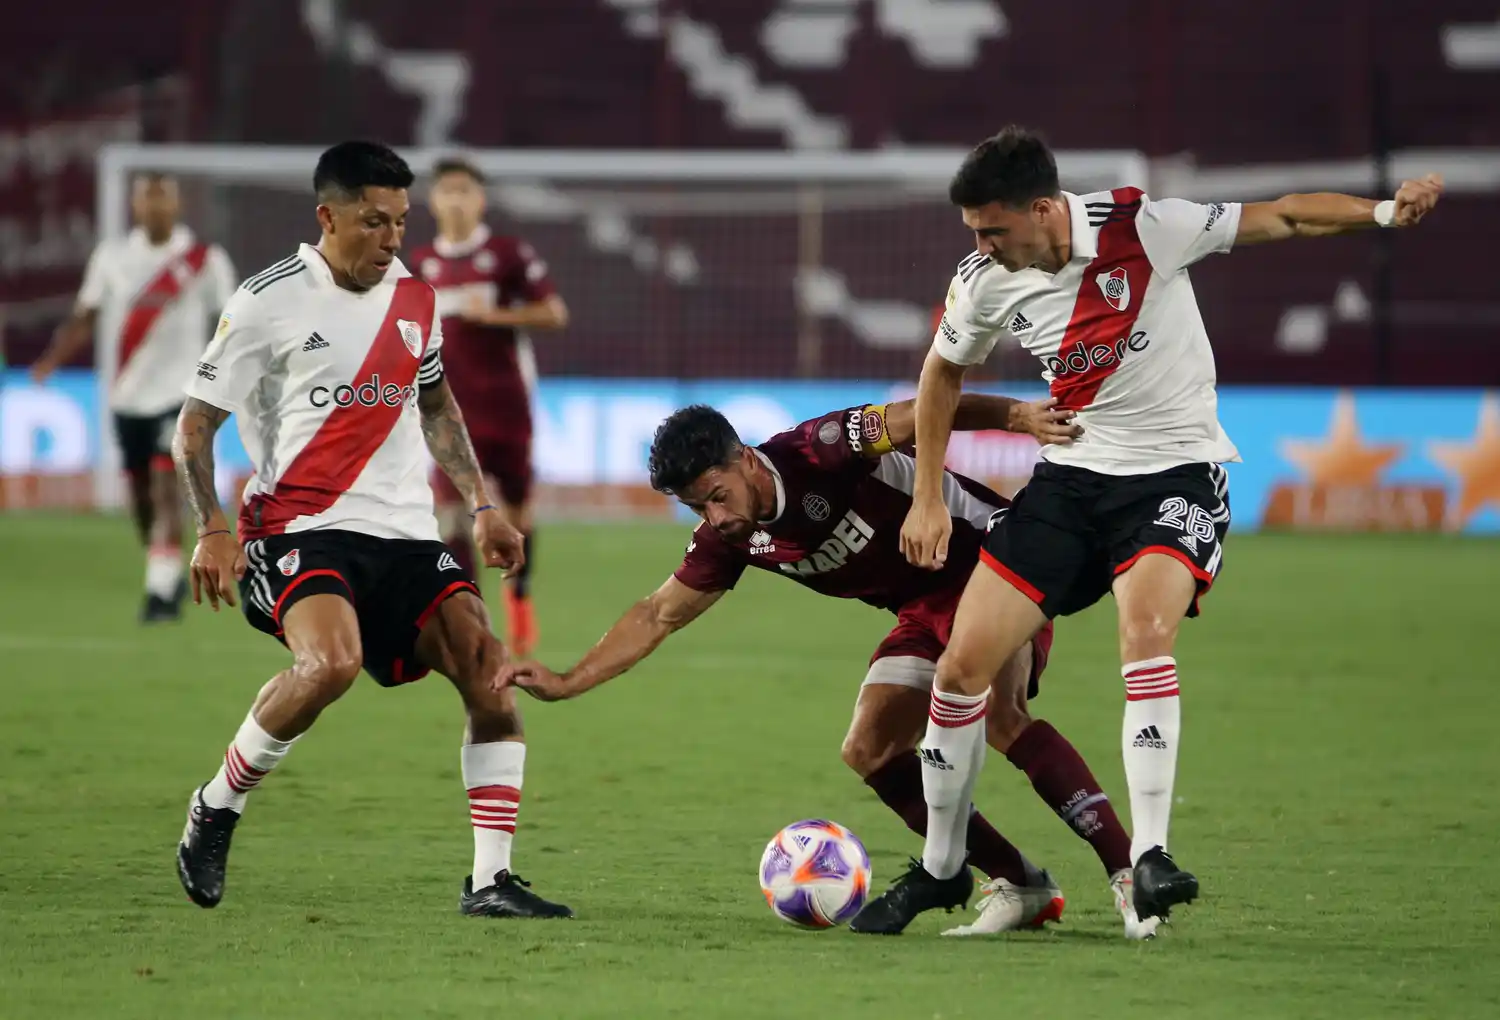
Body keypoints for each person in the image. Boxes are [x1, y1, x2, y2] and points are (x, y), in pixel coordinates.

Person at [853, 125, 1444, 933]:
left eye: (994, 229)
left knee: (1144, 634)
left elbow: (1286, 218)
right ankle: (944, 868)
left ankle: (1152, 861)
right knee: (960, 672)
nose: (983, 246)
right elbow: (941, 373)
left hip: (1171, 477)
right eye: (973, 234)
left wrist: (1383, 213)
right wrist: (926, 496)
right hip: (1070, 483)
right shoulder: (983, 280)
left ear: (1041, 208)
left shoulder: (1144, 229)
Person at [501, 395, 1159, 938]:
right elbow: (658, 614)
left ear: (745, 459)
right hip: (923, 606)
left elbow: (927, 406)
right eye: (699, 508)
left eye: (717, 495)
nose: (716, 517)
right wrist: (566, 681)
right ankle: (1019, 882)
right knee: (870, 747)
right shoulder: (733, 537)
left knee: (1002, 715)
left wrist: (1018, 418)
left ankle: (1130, 875)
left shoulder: (821, 447)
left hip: (997, 565)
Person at [170, 141, 572, 920]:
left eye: (399, 222)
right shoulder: (267, 300)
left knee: (491, 672)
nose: (391, 239)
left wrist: (482, 507)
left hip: (405, 533)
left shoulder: (416, 299)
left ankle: (491, 880)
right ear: (328, 216)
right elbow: (193, 427)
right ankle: (216, 807)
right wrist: (210, 528)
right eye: (373, 221)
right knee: (331, 666)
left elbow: (436, 405)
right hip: (299, 527)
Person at [32, 173, 237, 622]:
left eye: (164, 196)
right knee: (141, 497)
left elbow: (231, 322)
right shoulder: (113, 257)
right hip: (126, 397)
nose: (157, 206)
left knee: (168, 488)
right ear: (135, 205)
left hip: (182, 396)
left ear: (178, 205)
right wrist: (52, 359)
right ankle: (164, 566)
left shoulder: (205, 261)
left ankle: (159, 594)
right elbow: (87, 313)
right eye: (148, 198)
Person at [408, 157, 569, 658]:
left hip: (506, 405)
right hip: (447, 412)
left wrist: (493, 314)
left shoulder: (506, 255)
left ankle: (519, 599)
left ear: (480, 200)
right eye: (447, 191)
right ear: (433, 201)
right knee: (453, 515)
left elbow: (554, 312)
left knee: (518, 509)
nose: (456, 199)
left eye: (465, 191)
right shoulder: (417, 266)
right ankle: (470, 616)